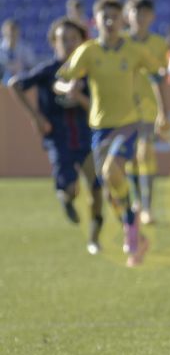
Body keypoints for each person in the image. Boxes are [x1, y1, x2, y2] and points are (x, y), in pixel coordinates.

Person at [56, 0, 162, 268]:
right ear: (98, 20)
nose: (111, 22)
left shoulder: (133, 50)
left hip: (129, 123)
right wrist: (66, 88)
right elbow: (60, 79)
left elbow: (157, 70)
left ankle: (132, 222)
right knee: (109, 185)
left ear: (122, 20)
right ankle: (132, 222)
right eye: (106, 17)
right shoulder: (88, 51)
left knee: (109, 172)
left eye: (116, 17)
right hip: (99, 128)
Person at [7, 17, 103, 254]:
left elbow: (97, 109)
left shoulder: (90, 73)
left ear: (82, 42)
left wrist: (78, 97)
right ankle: (67, 198)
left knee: (97, 189)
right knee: (72, 188)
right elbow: (15, 85)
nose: (68, 44)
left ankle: (93, 238)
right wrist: (36, 118)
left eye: (73, 39)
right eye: (63, 39)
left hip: (86, 138)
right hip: (58, 139)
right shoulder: (48, 70)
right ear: (53, 43)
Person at [125, 0, 170, 225]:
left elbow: (159, 78)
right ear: (128, 15)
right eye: (136, 12)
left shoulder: (159, 44)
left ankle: (146, 207)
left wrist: (164, 110)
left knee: (146, 154)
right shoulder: (121, 42)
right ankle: (136, 200)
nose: (140, 18)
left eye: (145, 13)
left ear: (151, 17)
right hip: (122, 109)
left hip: (148, 108)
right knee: (130, 158)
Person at [0, 18, 37, 84]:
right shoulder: (1, 49)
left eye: (14, 32)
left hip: (21, 81)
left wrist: (21, 66)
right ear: (4, 32)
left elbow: (32, 67)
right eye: (9, 32)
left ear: (18, 32)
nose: (12, 34)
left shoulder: (25, 48)